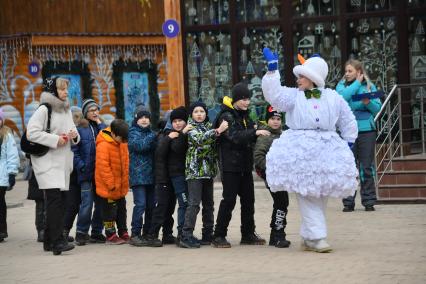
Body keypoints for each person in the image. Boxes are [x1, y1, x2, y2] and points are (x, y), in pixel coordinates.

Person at [261, 48, 358, 253]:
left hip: (325, 148)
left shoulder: (332, 97)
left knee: (319, 193)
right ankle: (317, 237)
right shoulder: (293, 96)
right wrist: (272, 72)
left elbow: (347, 119)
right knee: (307, 193)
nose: (298, 79)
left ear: (312, 78)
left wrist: (348, 142)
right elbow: (274, 95)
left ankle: (308, 236)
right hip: (300, 149)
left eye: (302, 76)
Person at [212, 83, 270, 248]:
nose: (247, 102)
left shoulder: (245, 115)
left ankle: (248, 234)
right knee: (229, 201)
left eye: (248, 99)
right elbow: (234, 136)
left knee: (248, 201)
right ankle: (219, 235)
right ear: (236, 99)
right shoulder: (227, 116)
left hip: (245, 166)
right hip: (230, 166)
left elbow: (249, 132)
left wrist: (257, 129)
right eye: (243, 99)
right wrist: (254, 132)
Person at [26, 77, 80, 255]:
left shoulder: (66, 109)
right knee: (55, 201)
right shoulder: (44, 109)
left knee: (60, 201)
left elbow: (74, 131)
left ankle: (49, 240)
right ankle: (57, 242)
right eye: (62, 89)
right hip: (47, 162)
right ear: (53, 90)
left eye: (66, 89)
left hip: (63, 162)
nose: (66, 92)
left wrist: (74, 135)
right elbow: (32, 133)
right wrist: (56, 139)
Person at [179, 102, 228, 248]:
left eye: (202, 111)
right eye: (196, 111)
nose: (199, 114)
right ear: (191, 115)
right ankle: (186, 235)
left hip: (208, 172)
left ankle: (207, 234)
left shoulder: (209, 127)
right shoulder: (190, 128)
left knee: (209, 205)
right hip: (194, 173)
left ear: (206, 114)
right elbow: (201, 140)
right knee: (194, 204)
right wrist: (218, 130)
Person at [337, 59, 382, 212]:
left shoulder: (369, 86)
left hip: (366, 131)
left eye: (350, 71)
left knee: (366, 167)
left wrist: (368, 102)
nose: (346, 73)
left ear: (358, 71)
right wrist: (356, 83)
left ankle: (369, 201)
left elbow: (377, 109)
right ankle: (348, 202)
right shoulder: (342, 86)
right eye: (346, 71)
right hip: (347, 132)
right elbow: (342, 99)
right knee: (348, 167)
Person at [144, 106, 191, 247]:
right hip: (163, 178)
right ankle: (152, 235)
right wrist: (170, 138)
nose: (177, 123)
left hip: (174, 177)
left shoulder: (183, 134)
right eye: (174, 121)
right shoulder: (165, 134)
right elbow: (159, 153)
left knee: (170, 207)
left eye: (180, 120)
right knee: (162, 206)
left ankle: (167, 233)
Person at [253, 105, 291, 248]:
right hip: (272, 176)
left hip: (282, 176)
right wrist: (271, 169)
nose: (275, 121)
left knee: (281, 203)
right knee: (281, 203)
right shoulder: (265, 136)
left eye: (278, 119)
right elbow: (258, 156)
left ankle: (275, 236)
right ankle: (279, 235)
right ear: (267, 120)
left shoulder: (283, 135)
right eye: (272, 119)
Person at [72, 99, 107, 245]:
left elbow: (107, 137)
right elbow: (74, 150)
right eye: (92, 110)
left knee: (101, 204)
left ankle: (97, 232)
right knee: (86, 203)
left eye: (97, 110)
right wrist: (81, 166)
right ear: (86, 113)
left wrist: (100, 124)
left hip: (99, 173)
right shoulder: (80, 128)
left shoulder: (100, 127)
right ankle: (81, 232)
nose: (95, 113)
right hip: (86, 173)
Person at [95, 119, 129, 245]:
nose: (125, 142)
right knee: (109, 211)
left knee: (122, 209)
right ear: (114, 134)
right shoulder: (103, 145)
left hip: (121, 185)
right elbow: (103, 167)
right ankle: (110, 234)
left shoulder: (123, 142)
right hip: (109, 187)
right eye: (122, 139)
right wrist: (111, 184)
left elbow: (126, 162)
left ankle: (123, 231)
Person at [128, 109, 157, 246]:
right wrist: (153, 137)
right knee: (140, 204)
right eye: (141, 118)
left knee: (151, 205)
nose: (144, 120)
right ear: (136, 119)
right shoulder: (133, 132)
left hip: (152, 176)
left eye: (147, 117)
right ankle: (135, 233)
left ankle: (147, 232)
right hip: (138, 176)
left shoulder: (152, 134)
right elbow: (140, 146)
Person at [0, 108, 19, 242]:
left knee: (0, 204)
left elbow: (12, 155)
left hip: (1, 176)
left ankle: (2, 230)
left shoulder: (6, 135)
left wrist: (12, 173)